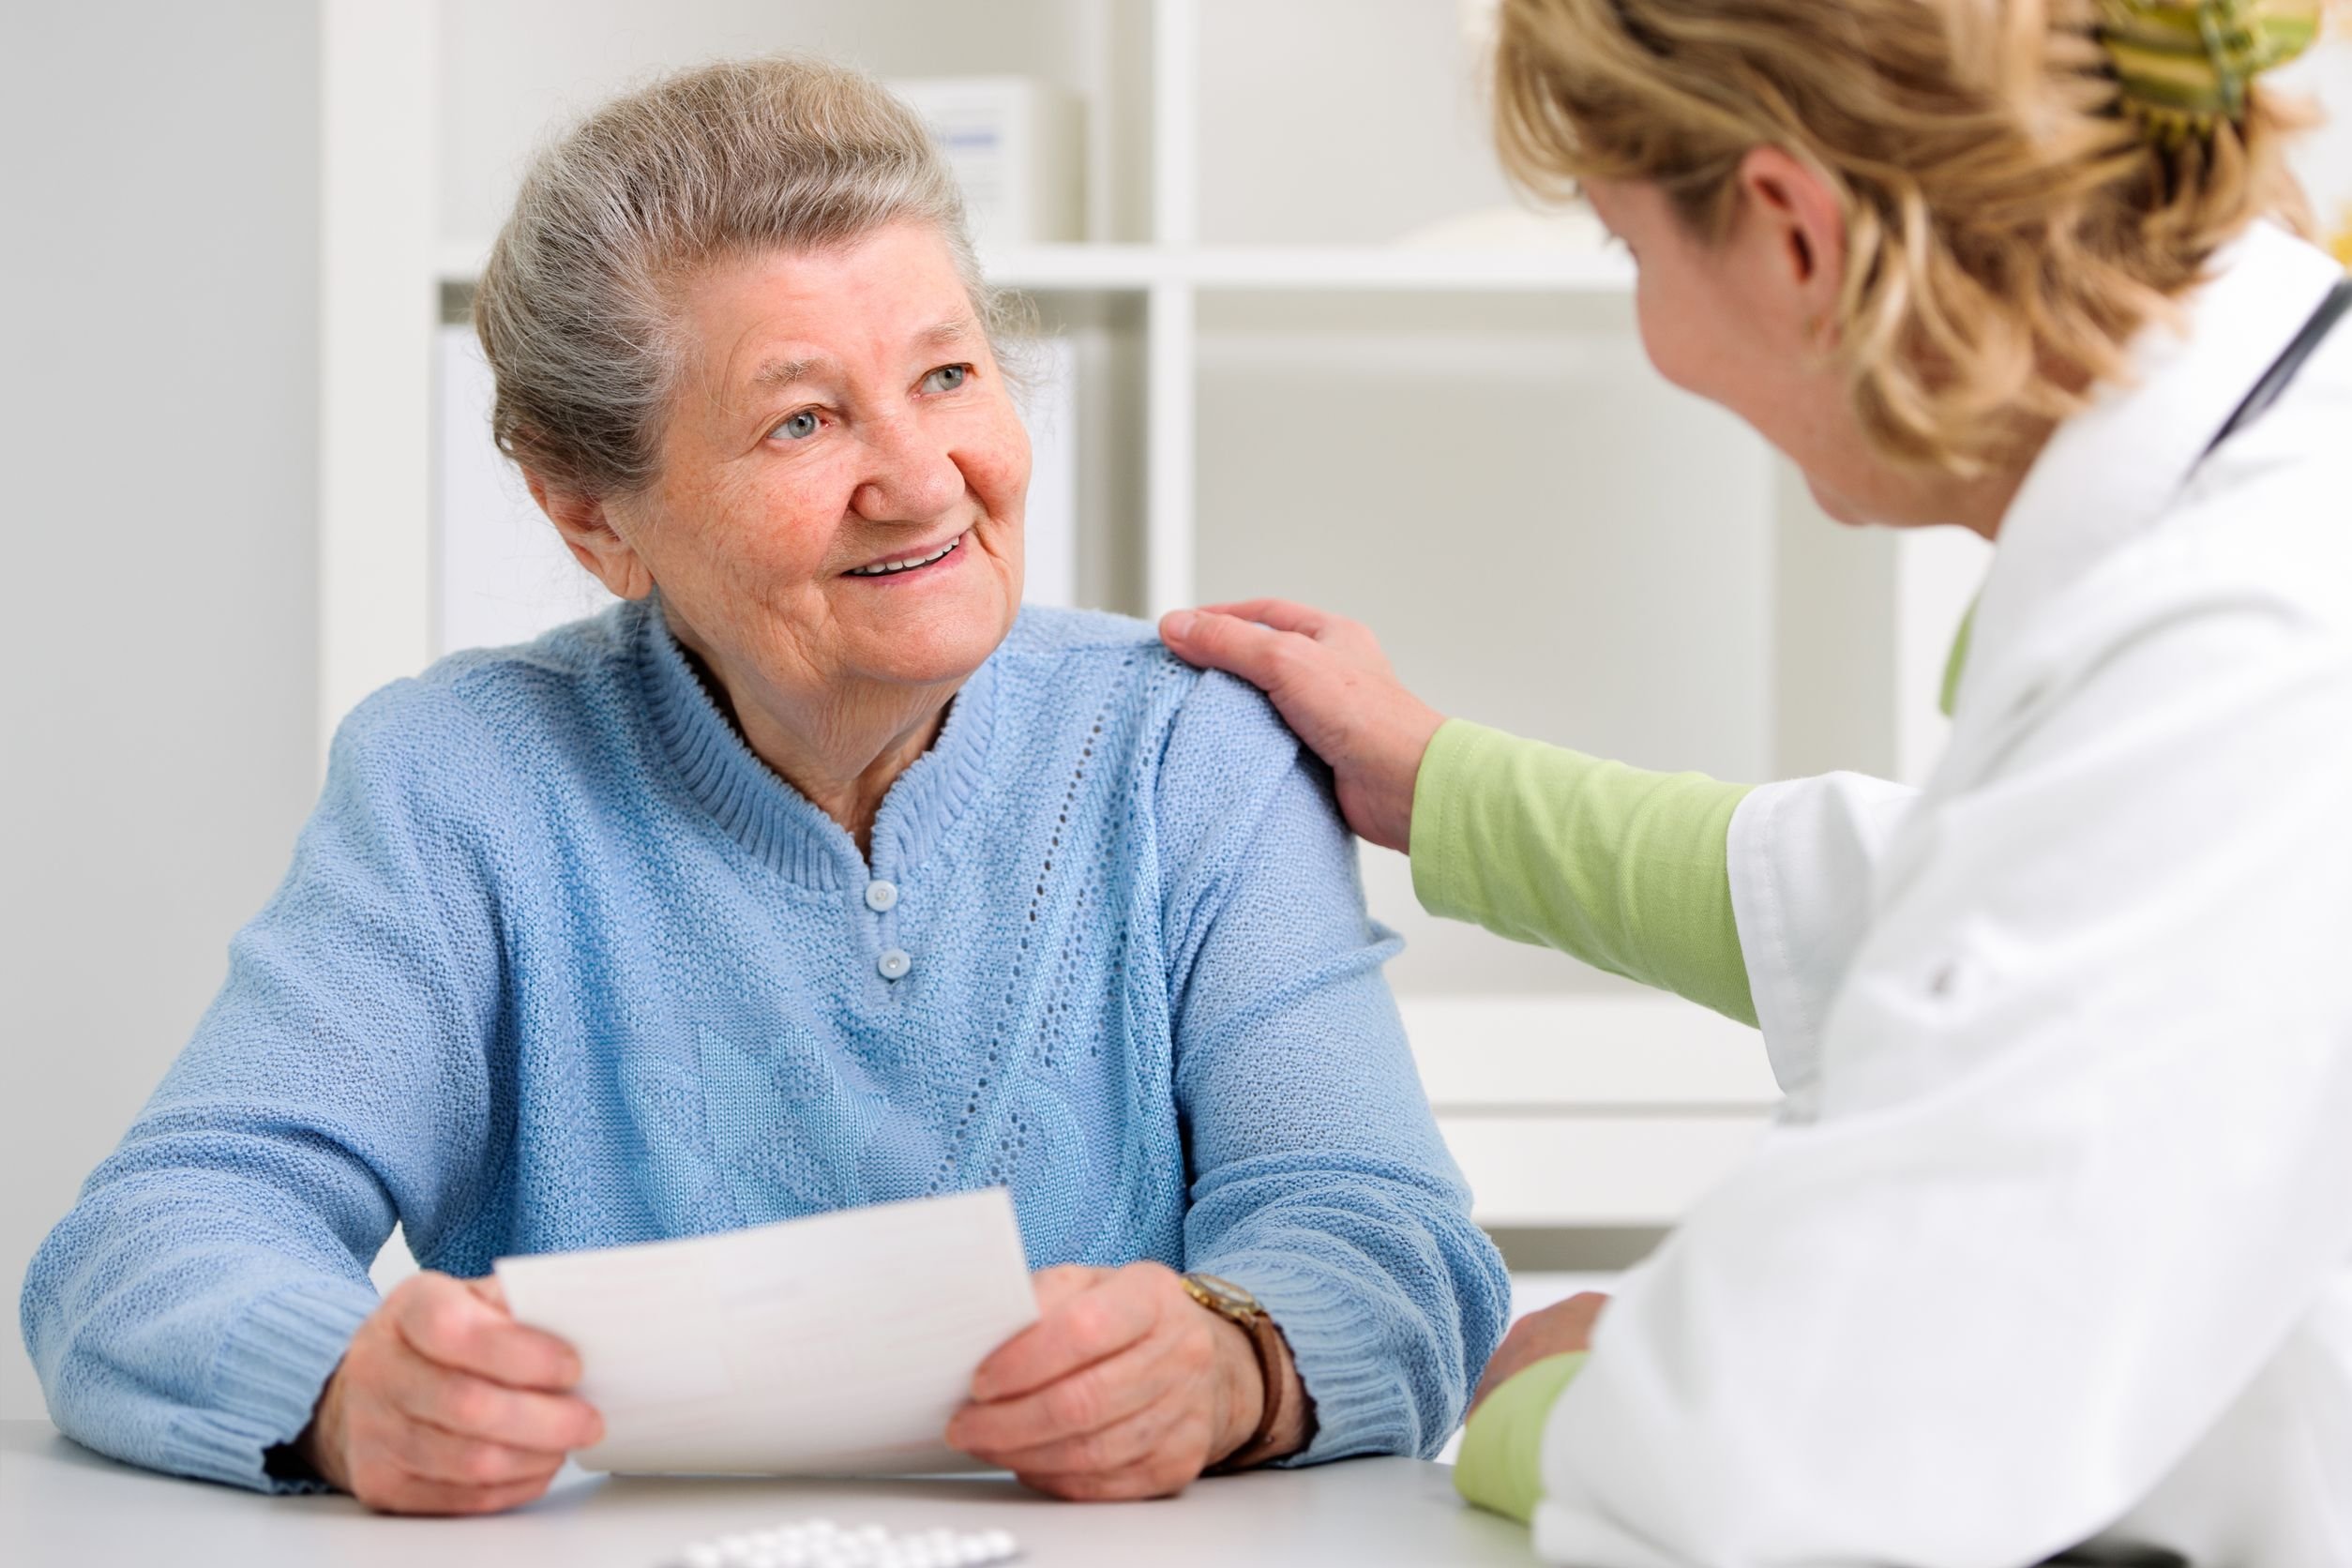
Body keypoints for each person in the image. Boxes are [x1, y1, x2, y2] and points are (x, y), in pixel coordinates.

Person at [19, 56, 1508, 1516]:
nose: (921, 480)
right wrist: (342, 1389)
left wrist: (1236, 1361)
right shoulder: (458, 782)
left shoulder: (1194, 753)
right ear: (592, 514)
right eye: (804, 420)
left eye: (946, 374)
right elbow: (149, 1242)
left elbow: (1383, 1238)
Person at [1161, 0, 2352, 1561]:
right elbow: (1944, 895)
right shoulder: (2255, 515)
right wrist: (1443, 787)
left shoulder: (2244, 644)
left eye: (1629, 251)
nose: (1653, 333)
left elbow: (1799, 1460)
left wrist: (1558, 1397)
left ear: (1795, 232)